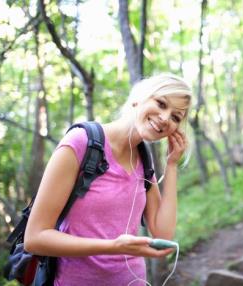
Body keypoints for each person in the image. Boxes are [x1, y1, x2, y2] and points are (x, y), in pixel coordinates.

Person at [24, 74, 192, 285]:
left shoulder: (144, 160)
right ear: (138, 98)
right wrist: (113, 247)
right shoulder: (81, 143)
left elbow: (163, 232)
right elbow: (34, 238)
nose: (166, 118)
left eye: (176, 117)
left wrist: (172, 164)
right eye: (161, 103)